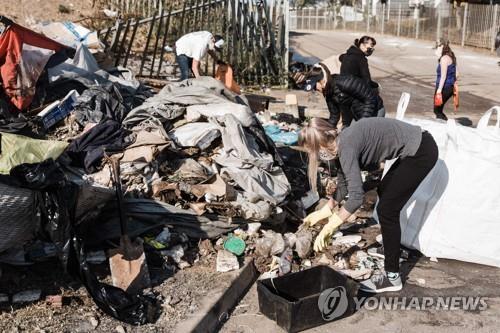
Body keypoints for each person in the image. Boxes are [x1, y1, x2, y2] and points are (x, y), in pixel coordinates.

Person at [299, 117, 438, 293]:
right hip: (417, 146)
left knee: (387, 210)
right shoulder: (341, 143)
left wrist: (331, 225)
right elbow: (344, 185)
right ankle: (391, 247)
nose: (316, 156)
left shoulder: (346, 147)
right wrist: (326, 209)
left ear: (322, 143)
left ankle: (392, 276)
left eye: (313, 151)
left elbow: (356, 197)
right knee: (385, 191)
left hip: (421, 151)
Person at [303, 63, 384, 128]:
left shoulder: (345, 82)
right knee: (347, 135)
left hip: (375, 110)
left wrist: (362, 123)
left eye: (314, 86)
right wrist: (326, 130)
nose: (314, 89)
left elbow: (370, 98)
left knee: (365, 141)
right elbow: (334, 116)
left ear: (322, 80)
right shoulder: (328, 93)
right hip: (358, 115)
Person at [433, 39, 457, 120]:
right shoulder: (451, 56)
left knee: (437, 110)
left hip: (444, 88)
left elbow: (443, 76)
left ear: (442, 46)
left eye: (437, 47)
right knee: (438, 109)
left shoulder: (444, 59)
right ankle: (443, 123)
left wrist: (439, 90)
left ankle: (443, 125)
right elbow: (457, 74)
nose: (436, 49)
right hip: (449, 87)